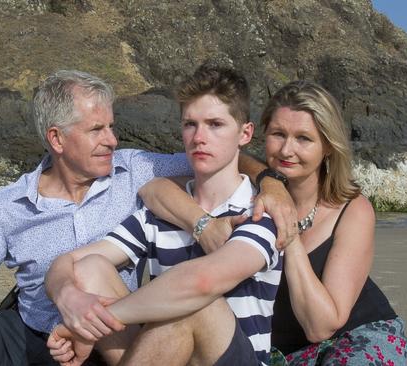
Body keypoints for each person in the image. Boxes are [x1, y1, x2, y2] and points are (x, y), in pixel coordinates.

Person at [0, 70, 295, 366]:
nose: (113, 140)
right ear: (57, 138)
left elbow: (219, 157)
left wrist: (272, 182)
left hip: (114, 338)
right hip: (34, 330)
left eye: (112, 127)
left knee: (178, 315)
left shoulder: (139, 169)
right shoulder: (8, 204)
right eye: (97, 129)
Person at [136, 80, 407, 365]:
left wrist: (286, 225)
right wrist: (204, 223)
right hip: (278, 353)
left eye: (304, 138)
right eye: (278, 134)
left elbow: (322, 326)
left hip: (353, 338)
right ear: (261, 134)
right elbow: (154, 190)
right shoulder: (242, 192)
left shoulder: (351, 209)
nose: (286, 150)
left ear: (328, 146)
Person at [46, 65, 282, 366]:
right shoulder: (160, 213)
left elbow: (201, 284)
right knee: (91, 268)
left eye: (215, 124)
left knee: (195, 306)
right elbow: (69, 263)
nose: (199, 137)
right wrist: (71, 300)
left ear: (245, 133)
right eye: (190, 124)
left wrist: (88, 327)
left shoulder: (260, 210)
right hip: (168, 354)